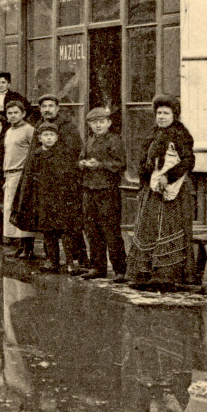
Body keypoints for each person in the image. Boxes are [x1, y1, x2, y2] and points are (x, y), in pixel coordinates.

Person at [126, 95, 196, 291]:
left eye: (166, 113)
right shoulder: (153, 133)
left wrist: (168, 177)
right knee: (149, 228)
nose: (162, 116)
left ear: (174, 115)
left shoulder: (181, 134)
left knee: (167, 229)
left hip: (172, 192)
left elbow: (189, 161)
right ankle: (145, 273)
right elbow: (145, 161)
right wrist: (146, 180)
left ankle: (165, 276)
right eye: (159, 113)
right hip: (152, 191)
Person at [14, 122, 85, 274]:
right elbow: (30, 178)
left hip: (61, 199)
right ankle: (52, 261)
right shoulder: (36, 155)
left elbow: (71, 176)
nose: (49, 138)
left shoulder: (64, 154)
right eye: (46, 135)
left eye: (52, 135)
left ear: (57, 137)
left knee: (66, 231)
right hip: (43, 200)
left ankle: (71, 263)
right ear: (39, 138)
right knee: (48, 232)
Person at [35, 94, 86, 267]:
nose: (47, 109)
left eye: (51, 106)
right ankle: (51, 259)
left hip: (65, 186)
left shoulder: (67, 126)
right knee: (47, 225)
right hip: (45, 189)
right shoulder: (39, 126)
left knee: (68, 226)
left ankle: (76, 260)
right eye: (44, 106)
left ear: (58, 108)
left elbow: (73, 153)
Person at [78, 107, 128, 281]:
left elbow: (120, 164)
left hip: (107, 191)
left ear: (109, 123)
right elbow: (81, 159)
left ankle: (120, 269)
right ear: (89, 125)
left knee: (111, 230)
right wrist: (82, 164)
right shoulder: (90, 141)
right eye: (93, 122)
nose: (98, 125)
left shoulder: (114, 140)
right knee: (92, 230)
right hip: (89, 190)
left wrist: (99, 164)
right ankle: (97, 267)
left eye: (101, 122)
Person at [1, 101, 37, 259]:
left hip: (22, 174)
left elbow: (34, 153)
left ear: (23, 113)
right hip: (10, 174)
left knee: (23, 210)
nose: (12, 116)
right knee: (12, 210)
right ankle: (20, 246)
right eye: (9, 113)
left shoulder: (29, 130)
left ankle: (28, 248)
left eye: (16, 112)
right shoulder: (9, 131)